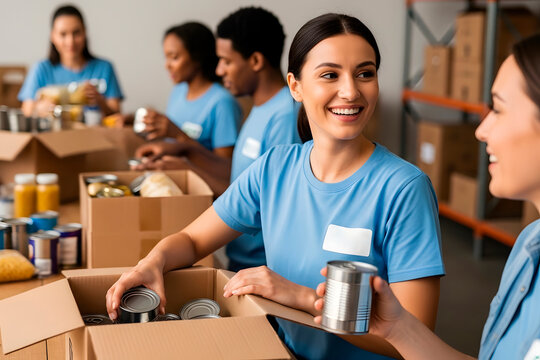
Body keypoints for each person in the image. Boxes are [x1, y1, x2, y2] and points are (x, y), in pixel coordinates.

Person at [107, 13, 444, 360]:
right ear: (295, 87)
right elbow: (193, 240)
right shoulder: (274, 168)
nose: (351, 91)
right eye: (330, 74)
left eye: (365, 73)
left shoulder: (404, 189)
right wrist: (154, 260)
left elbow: (414, 339)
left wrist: (298, 296)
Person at [314, 33, 540, 360]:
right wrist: (399, 330)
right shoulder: (529, 245)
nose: (481, 130)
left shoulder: (405, 185)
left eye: (499, 110)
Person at [134, 7, 300, 271]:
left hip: (263, 268)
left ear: (255, 61)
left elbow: (262, 206)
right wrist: (186, 149)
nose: (219, 70)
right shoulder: (258, 107)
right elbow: (239, 175)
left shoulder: (284, 117)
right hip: (239, 260)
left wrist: (188, 169)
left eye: (226, 61)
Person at [120, 22, 241, 158]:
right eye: (166, 57)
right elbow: (170, 141)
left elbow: (224, 167)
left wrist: (178, 135)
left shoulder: (222, 103)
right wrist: (139, 122)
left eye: (174, 57)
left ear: (197, 58)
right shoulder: (178, 91)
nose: (167, 65)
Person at [18, 4, 123, 118]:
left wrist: (99, 100)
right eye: (63, 34)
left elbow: (116, 113)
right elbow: (26, 110)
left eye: (76, 33)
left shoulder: (104, 68)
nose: (70, 41)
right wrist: (39, 108)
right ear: (53, 36)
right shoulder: (42, 69)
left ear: (85, 33)